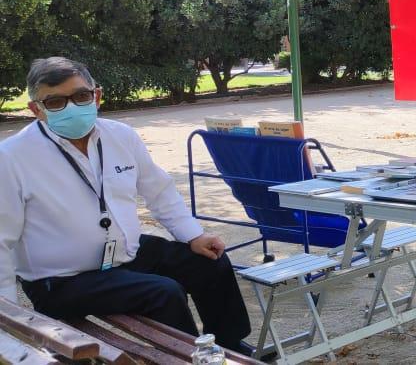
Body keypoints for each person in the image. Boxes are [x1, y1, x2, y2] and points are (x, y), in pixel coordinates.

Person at [0, 57, 251, 353]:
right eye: (55, 102)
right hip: (61, 280)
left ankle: (230, 346)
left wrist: (194, 235)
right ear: (36, 110)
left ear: (97, 95)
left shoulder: (120, 136)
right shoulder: (12, 157)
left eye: (81, 96)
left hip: (123, 254)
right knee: (164, 293)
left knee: (211, 260)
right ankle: (185, 358)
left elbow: (159, 191)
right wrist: (11, 320)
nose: (72, 107)